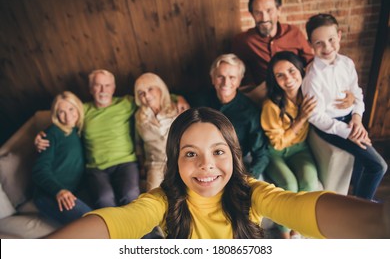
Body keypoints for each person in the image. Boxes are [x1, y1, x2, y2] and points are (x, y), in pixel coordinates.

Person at [45, 107, 390, 239]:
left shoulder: (252, 191)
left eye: (218, 152)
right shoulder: (161, 200)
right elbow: (116, 222)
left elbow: (303, 206)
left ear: (233, 156)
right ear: (175, 162)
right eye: (190, 153)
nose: (206, 165)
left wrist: (378, 223)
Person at [35, 69, 189, 209]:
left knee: (130, 195)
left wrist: (179, 98)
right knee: (104, 200)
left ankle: (143, 236)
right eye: (98, 86)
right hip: (96, 168)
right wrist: (44, 134)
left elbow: (153, 97)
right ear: (90, 89)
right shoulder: (83, 109)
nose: (103, 90)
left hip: (126, 163)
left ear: (113, 88)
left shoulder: (126, 103)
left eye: (107, 85)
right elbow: (64, 117)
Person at [301, 13, 388, 200]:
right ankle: (361, 207)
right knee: (379, 166)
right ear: (310, 44)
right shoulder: (313, 77)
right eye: (319, 43)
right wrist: (348, 131)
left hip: (351, 119)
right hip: (330, 126)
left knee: (361, 161)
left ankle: (359, 195)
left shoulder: (347, 63)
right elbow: (316, 116)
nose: (327, 47)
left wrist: (357, 119)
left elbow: (357, 94)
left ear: (339, 36)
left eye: (331, 39)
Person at [261, 51, 318, 238]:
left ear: (301, 70)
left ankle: (297, 230)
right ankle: (285, 235)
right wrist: (300, 119)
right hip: (275, 152)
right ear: (275, 80)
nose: (288, 79)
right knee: (289, 184)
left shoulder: (310, 94)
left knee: (309, 181)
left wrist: (351, 99)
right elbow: (276, 143)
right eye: (280, 75)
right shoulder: (271, 105)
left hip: (300, 149)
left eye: (291, 71)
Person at [185, 54, 269, 179]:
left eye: (232, 77)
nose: (226, 83)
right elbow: (171, 96)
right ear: (212, 78)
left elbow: (261, 153)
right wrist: (178, 98)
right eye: (220, 77)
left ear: (240, 80)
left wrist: (249, 177)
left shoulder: (250, 112)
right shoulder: (199, 99)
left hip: (237, 161)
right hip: (203, 160)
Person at [231, 0, 313, 103]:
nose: (264, 18)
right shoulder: (242, 41)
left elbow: (311, 63)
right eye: (258, 12)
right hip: (265, 97)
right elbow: (237, 75)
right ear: (252, 14)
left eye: (269, 10)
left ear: (278, 10)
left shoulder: (294, 33)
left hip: (297, 92)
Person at [32, 91, 92, 225]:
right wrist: (59, 190)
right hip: (49, 194)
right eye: (61, 112)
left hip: (74, 190)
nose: (68, 116)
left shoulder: (79, 131)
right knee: (92, 222)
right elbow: (39, 171)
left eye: (71, 109)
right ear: (56, 115)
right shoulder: (51, 134)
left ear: (78, 108)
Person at [134, 72, 178, 191]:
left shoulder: (177, 108)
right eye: (141, 93)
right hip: (155, 164)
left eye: (150, 89)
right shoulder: (139, 117)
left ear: (160, 89)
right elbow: (138, 143)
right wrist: (141, 165)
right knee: (152, 196)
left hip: (178, 160)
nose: (146, 96)